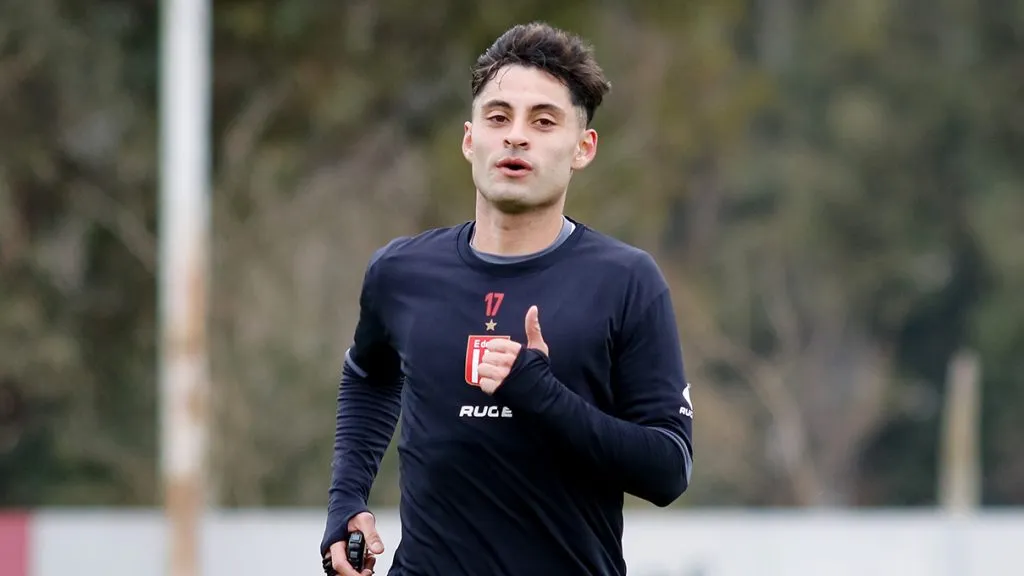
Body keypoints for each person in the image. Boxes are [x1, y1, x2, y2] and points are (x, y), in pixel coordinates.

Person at [320, 21, 694, 576]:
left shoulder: (626, 281)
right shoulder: (400, 272)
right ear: (471, 139)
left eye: (544, 122)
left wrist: (541, 395)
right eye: (498, 117)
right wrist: (347, 499)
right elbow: (370, 377)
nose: (516, 136)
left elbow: (668, 470)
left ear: (582, 149)